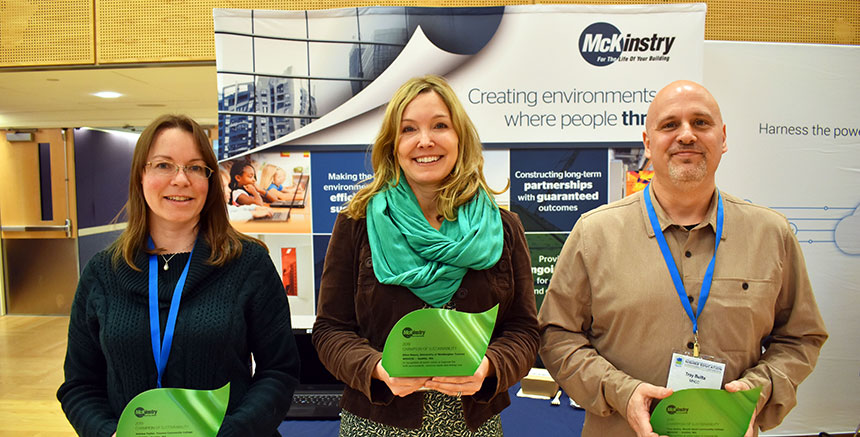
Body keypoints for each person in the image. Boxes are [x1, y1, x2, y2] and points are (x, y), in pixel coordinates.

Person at [537, 80, 828, 437]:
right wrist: (623, 393)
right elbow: (556, 335)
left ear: (723, 139)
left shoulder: (772, 234)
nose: (686, 135)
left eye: (701, 123)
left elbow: (800, 337)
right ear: (647, 142)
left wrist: (759, 390)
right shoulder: (594, 233)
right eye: (670, 125)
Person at [312, 75, 539, 436]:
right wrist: (377, 368)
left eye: (439, 126)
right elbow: (330, 331)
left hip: (472, 425)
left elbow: (524, 331)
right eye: (408, 129)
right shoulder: (357, 223)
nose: (425, 141)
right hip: (377, 422)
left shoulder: (502, 227)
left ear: (459, 137)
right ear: (393, 144)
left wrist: (491, 366)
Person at [57, 114, 300, 436]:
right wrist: (107, 433)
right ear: (140, 176)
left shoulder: (248, 264)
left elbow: (279, 371)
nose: (181, 179)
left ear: (210, 181)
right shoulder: (102, 272)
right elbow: (79, 385)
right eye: (163, 165)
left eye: (196, 167)